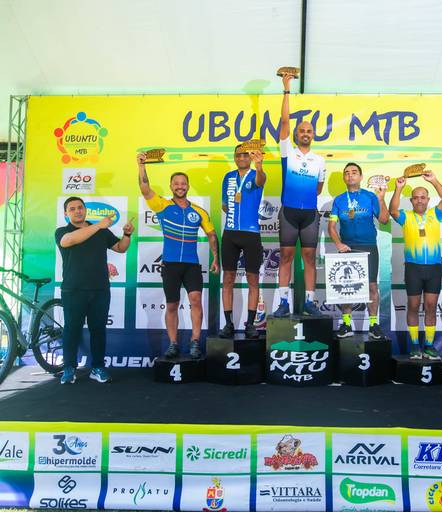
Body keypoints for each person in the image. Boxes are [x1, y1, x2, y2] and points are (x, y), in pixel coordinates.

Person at [137, 153, 219, 359]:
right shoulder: (162, 205)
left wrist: (216, 258)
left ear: (188, 186)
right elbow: (145, 188)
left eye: (183, 183)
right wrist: (141, 166)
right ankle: (173, 343)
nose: (180, 186)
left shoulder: (199, 212)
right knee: (172, 305)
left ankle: (194, 342)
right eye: (176, 183)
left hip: (191, 265)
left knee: (196, 300)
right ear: (171, 186)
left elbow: (211, 234)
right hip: (171, 264)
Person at [55, 196, 133, 384]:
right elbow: (69, 241)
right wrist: (99, 225)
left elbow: (120, 248)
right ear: (66, 213)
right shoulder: (63, 231)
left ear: (85, 210)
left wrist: (127, 235)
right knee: (72, 329)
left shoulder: (101, 231)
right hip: (73, 290)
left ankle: (97, 367)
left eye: (80, 207)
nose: (77, 211)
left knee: (98, 329)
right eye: (72, 209)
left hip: (100, 289)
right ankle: (69, 368)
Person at [273, 71, 326, 317]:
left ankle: (309, 303)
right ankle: (283, 303)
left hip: (309, 214)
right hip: (289, 212)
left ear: (313, 136)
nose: (305, 133)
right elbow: (284, 122)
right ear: (296, 135)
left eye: (309, 131)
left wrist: (306, 196)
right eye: (302, 130)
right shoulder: (288, 152)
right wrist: (286, 90)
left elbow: (318, 188)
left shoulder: (320, 160)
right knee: (285, 256)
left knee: (309, 258)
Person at [389, 170, 442, 360]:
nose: (419, 201)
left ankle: (429, 346)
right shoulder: (406, 217)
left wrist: (434, 181)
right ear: (411, 200)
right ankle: (415, 345)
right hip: (413, 268)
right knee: (413, 306)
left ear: (428, 199)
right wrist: (398, 188)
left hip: (433, 269)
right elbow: (392, 211)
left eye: (423, 197)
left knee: (431, 306)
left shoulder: (435, 214)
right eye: (416, 198)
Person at [328, 163, 390, 340]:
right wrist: (339, 244)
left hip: (368, 246)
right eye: (347, 173)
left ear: (361, 177)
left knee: (372, 286)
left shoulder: (370, 197)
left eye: (354, 172)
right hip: (347, 248)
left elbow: (384, 219)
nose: (350, 175)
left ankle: (373, 325)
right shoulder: (339, 200)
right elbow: (331, 226)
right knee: (346, 287)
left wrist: (381, 199)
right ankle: (346, 324)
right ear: (344, 178)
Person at [219, 145, 267, 339]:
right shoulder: (228, 177)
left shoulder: (256, 175)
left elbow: (261, 180)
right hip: (230, 233)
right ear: (234, 157)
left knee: (253, 280)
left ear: (250, 158)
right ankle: (228, 324)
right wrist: (235, 211)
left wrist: (259, 165)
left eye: (245, 155)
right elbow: (224, 204)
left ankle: (250, 324)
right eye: (238, 155)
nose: (241, 158)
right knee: (227, 278)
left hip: (251, 234)